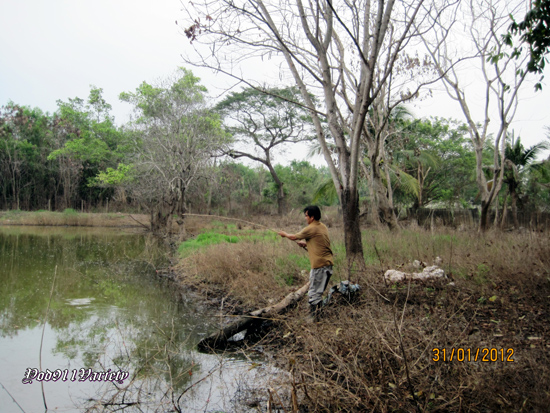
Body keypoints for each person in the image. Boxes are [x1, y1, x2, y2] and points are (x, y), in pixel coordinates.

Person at [278, 205, 333, 320]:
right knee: (317, 292)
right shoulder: (322, 226)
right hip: (327, 265)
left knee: (314, 294)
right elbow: (319, 243)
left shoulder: (311, 228)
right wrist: (306, 243)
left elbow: (293, 237)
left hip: (320, 267)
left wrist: (285, 234)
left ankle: (314, 320)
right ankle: (317, 318)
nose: (305, 218)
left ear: (312, 217)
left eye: (306, 216)